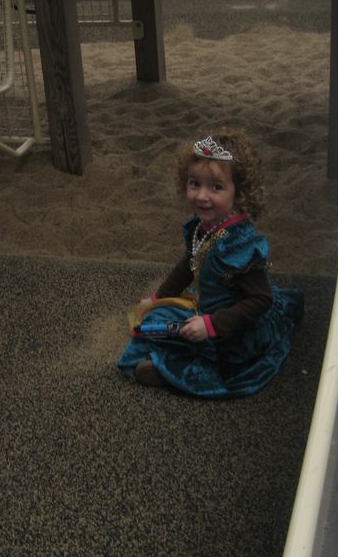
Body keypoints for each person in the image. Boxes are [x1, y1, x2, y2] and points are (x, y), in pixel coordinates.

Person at [117, 129, 304, 398]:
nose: (202, 196)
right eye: (195, 184)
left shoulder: (240, 244)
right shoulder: (204, 225)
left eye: (216, 187)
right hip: (206, 309)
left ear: (239, 192)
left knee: (210, 350)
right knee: (154, 319)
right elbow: (189, 264)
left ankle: (171, 373)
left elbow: (261, 299)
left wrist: (211, 325)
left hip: (234, 327)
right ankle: (169, 361)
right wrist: (158, 298)